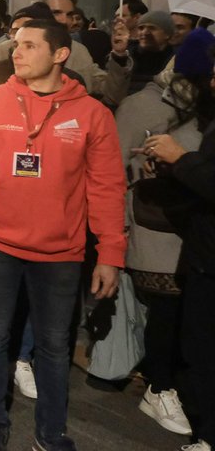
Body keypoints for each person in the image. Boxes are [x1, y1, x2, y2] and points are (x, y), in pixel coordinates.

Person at [0, 19, 125, 451]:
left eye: (30, 46)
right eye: (17, 44)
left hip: (60, 250)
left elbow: (107, 188)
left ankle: (51, 433)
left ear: (60, 54)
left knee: (53, 346)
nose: (17, 52)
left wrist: (110, 253)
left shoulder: (93, 114)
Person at [115, 30, 215, 438]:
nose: (209, 83)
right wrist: (116, 229)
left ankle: (175, 386)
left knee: (189, 322)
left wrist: (178, 161)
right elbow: (115, 167)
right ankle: (160, 386)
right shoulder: (143, 105)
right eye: (206, 75)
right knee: (168, 313)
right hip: (155, 222)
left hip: (191, 227)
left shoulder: (205, 111)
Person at [142, 50, 215, 451]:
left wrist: (181, 159)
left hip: (209, 259)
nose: (212, 82)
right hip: (203, 252)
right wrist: (174, 169)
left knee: (202, 349)